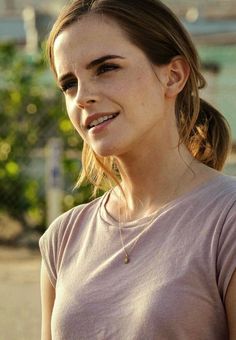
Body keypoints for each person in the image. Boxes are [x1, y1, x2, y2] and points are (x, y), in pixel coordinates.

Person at [39, 0, 236, 339]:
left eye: (106, 68)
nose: (82, 97)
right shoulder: (62, 238)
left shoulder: (226, 220)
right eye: (69, 84)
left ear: (173, 76)